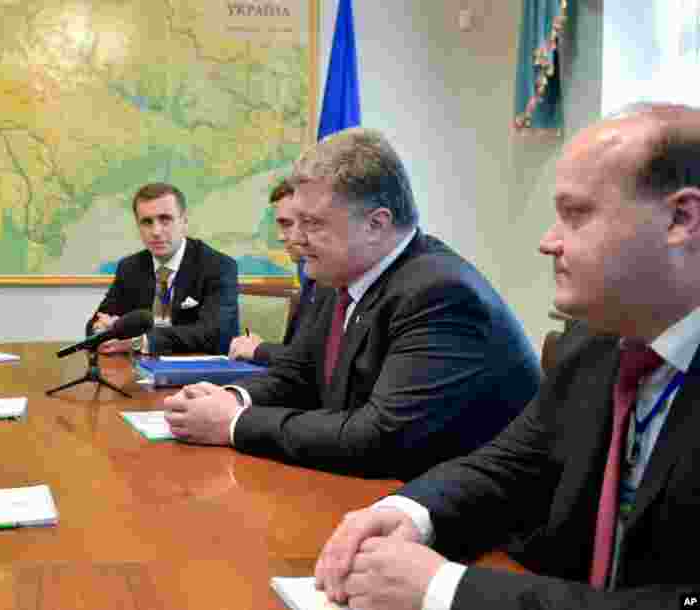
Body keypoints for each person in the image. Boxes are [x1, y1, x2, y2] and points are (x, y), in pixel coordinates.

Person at [313, 103, 700, 610]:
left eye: (576, 215)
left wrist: (445, 590)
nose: (548, 242)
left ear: (681, 218)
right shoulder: (596, 341)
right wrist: (410, 512)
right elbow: (512, 465)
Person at [163, 127, 541, 481]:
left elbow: (380, 437)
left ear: (376, 224)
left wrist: (233, 423)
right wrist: (230, 397)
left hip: (471, 513)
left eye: (313, 223)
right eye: (295, 222)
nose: (297, 239)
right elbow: (298, 377)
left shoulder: (441, 293)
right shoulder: (340, 275)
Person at [86, 182, 239, 355]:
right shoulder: (130, 268)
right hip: (141, 366)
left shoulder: (218, 266)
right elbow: (97, 322)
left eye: (165, 219)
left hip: (202, 366)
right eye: (147, 222)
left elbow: (214, 334)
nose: (156, 231)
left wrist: (139, 342)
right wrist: (102, 331)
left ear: (184, 221)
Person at [228, 180, 330, 364]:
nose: (281, 237)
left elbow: (311, 361)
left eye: (287, 224)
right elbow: (299, 353)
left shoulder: (333, 280)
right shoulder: (306, 272)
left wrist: (260, 349)